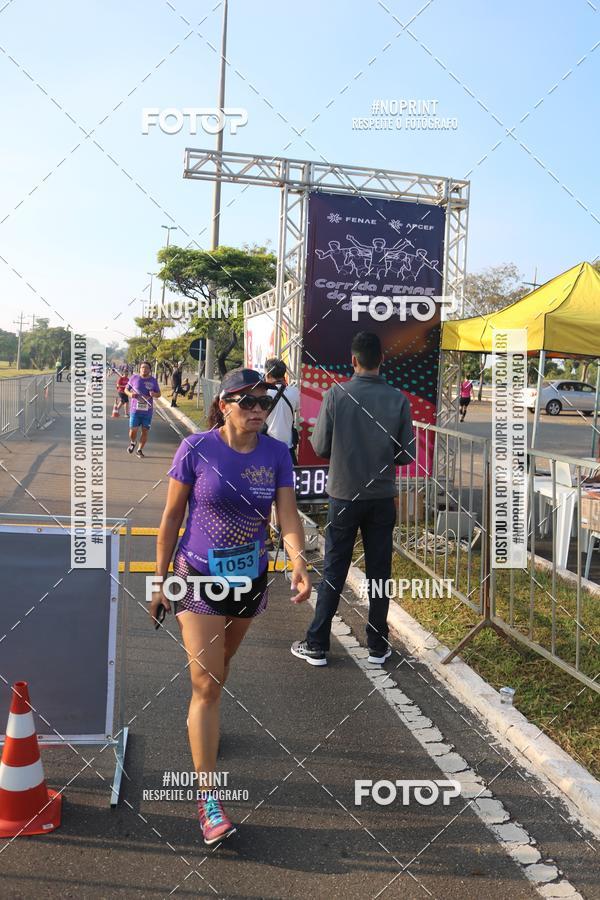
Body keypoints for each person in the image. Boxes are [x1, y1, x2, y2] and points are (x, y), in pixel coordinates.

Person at [149, 367, 311, 845]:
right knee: (205, 683)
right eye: (247, 402)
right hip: (196, 577)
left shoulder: (277, 454)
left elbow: (286, 514)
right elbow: (171, 517)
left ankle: (208, 720)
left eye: (265, 401)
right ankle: (207, 797)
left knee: (217, 674)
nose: (258, 409)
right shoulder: (197, 449)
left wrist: (298, 561)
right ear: (224, 405)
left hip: (249, 579)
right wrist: (159, 582)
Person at [291, 331, 415, 667]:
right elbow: (405, 455)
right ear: (382, 360)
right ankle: (377, 645)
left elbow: (319, 446)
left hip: (344, 495)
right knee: (379, 573)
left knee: (334, 569)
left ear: (353, 360)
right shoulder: (398, 399)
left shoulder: (336, 394)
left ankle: (317, 644)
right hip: (381, 497)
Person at [263, 358, 300, 463]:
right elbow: (296, 409)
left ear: (268, 375)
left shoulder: (264, 393)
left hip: (267, 449)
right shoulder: (294, 392)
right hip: (287, 449)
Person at [125, 361, 161, 458]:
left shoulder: (153, 380)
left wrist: (154, 394)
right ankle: (133, 442)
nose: (144, 369)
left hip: (147, 411)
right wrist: (130, 394)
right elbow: (126, 389)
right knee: (133, 431)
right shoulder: (134, 378)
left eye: (146, 368)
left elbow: (159, 394)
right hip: (135, 410)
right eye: (142, 367)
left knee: (145, 431)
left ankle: (139, 450)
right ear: (140, 368)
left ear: (150, 370)